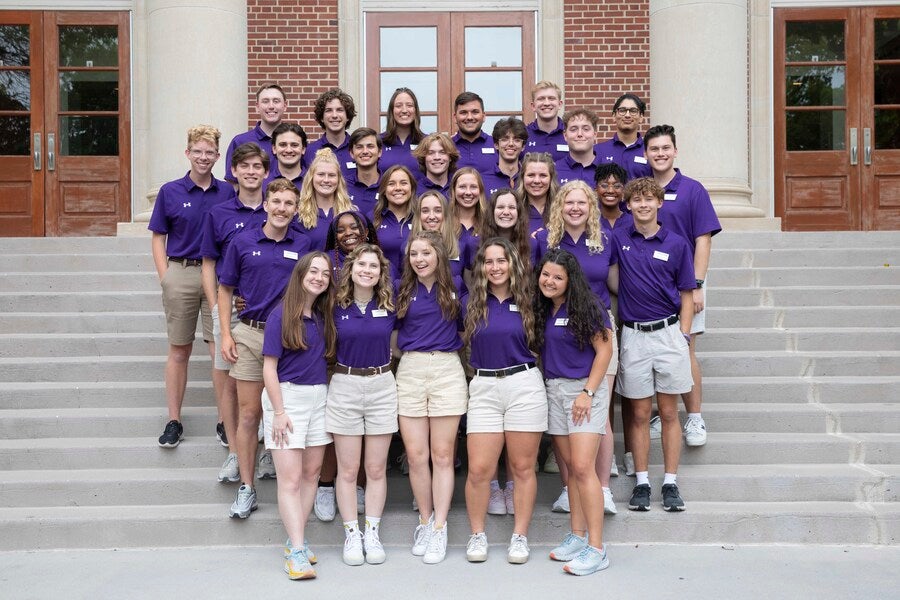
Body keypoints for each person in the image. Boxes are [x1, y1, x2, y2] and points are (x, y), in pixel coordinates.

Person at [216, 178, 312, 519]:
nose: (282, 209)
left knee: (287, 410)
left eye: (289, 203)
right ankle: (247, 486)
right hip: (252, 334)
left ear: (296, 207)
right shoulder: (242, 242)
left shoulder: (303, 243)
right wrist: (227, 333)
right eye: (277, 202)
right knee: (248, 414)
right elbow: (225, 289)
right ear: (266, 204)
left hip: (291, 338)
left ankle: (290, 481)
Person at [607, 176, 696, 512]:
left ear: (659, 202)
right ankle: (642, 482)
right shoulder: (619, 238)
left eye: (649, 199)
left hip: (668, 333)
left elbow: (687, 293)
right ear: (628, 206)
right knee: (640, 413)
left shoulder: (676, 243)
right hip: (634, 335)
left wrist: (684, 335)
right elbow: (613, 278)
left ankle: (670, 482)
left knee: (670, 411)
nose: (643, 205)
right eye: (636, 200)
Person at [534, 180, 619, 516]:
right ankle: (570, 491)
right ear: (559, 206)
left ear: (591, 206)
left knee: (600, 413)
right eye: (569, 202)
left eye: (582, 203)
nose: (575, 208)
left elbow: (616, 284)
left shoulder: (604, 239)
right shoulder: (544, 239)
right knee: (561, 418)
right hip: (557, 328)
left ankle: (603, 489)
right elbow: (539, 283)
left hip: (597, 328)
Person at [149, 124, 233, 448]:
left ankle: (225, 420)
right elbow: (158, 237)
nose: (203, 157)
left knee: (219, 352)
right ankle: (174, 420)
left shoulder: (227, 192)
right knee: (179, 349)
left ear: (216, 155)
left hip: (216, 276)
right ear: (187, 153)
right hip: (181, 272)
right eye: (197, 151)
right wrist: (165, 276)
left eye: (209, 152)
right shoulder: (170, 191)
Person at [462, 238, 545, 565]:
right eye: (488, 261)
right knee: (480, 469)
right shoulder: (470, 302)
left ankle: (520, 537)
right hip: (483, 387)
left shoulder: (531, 300)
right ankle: (477, 534)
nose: (495, 267)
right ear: (481, 266)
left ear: (513, 263)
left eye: (502, 260)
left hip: (523, 384)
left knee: (523, 467)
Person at [535, 248, 613, 575]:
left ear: (570, 280)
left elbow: (605, 349)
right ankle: (577, 537)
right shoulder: (543, 309)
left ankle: (597, 548)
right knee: (570, 468)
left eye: (558, 277)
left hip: (583, 390)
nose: (550, 281)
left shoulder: (586, 305)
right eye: (546, 275)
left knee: (583, 467)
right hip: (554, 389)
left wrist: (588, 392)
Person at [645, 124, 722, 447]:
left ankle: (694, 418)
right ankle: (658, 414)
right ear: (646, 154)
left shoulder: (692, 190)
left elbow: (702, 239)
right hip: (651, 286)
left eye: (665, 148)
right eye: (654, 149)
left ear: (675, 151)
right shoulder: (643, 191)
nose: (660, 154)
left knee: (685, 349)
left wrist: (697, 283)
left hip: (685, 285)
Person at [394, 231, 468, 564]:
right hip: (410, 369)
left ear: (438, 254)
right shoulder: (401, 289)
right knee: (415, 454)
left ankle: (440, 526)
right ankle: (424, 519)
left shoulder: (455, 288)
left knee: (442, 454)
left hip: (447, 368)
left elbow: (467, 328)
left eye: (426, 253)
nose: (420, 259)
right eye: (414, 254)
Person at [261, 251, 335, 580]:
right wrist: (278, 412)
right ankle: (296, 550)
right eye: (313, 271)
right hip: (288, 399)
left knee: (311, 475)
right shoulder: (281, 314)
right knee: (290, 481)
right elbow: (269, 368)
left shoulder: (321, 316)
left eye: (325, 273)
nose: (319, 277)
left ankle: (298, 543)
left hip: (320, 397)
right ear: (301, 274)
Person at [201, 142, 270, 482]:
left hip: (266, 310)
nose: (251, 172)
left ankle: (269, 449)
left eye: (257, 166)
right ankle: (233, 451)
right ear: (234, 173)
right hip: (230, 308)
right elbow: (208, 263)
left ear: (266, 172)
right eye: (245, 167)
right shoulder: (220, 213)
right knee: (229, 382)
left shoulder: (277, 209)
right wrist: (216, 307)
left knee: (271, 383)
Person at [328, 243, 398, 566]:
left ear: (381, 272)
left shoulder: (390, 305)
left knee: (375, 468)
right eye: (361, 265)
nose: (367, 271)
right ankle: (352, 535)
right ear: (351, 269)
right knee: (348, 469)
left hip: (382, 384)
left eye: (374, 266)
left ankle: (372, 532)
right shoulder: (335, 305)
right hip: (345, 384)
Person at [224, 83, 286, 184]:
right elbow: (233, 185)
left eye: (276, 101)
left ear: (285, 106)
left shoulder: (293, 143)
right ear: (257, 107)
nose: (271, 106)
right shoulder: (240, 141)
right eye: (265, 101)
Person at [296, 148, 355, 251]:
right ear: (311, 178)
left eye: (332, 175)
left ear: (338, 179)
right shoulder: (298, 215)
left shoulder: (352, 213)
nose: (326, 180)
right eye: (321, 174)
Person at [409, 190, 468, 293]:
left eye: (437, 210)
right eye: (425, 211)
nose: (431, 216)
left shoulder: (461, 248)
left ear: (445, 214)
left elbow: (467, 287)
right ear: (419, 215)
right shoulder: (407, 247)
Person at [594, 93, 652, 181]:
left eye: (633, 111)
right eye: (622, 110)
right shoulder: (598, 151)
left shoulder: (650, 151)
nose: (627, 115)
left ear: (641, 117)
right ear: (614, 116)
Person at [372, 165, 416, 278]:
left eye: (403, 183)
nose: (398, 188)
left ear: (412, 188)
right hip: (382, 286)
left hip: (415, 286)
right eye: (391, 184)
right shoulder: (372, 219)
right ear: (384, 190)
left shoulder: (421, 217)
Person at [304, 88, 357, 178]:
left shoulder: (358, 149)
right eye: (329, 110)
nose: (334, 115)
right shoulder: (309, 151)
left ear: (347, 116)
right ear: (321, 117)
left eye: (340, 110)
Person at [483, 188, 534, 272]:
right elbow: (470, 281)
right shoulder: (474, 244)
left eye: (512, 207)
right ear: (492, 212)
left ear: (519, 213)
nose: (506, 212)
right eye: (500, 207)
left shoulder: (532, 244)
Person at [379, 87, 427, 173]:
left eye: (409, 105)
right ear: (392, 111)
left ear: (415, 110)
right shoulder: (378, 142)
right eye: (398, 106)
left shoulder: (426, 142)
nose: (404, 110)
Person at [481, 117, 528, 197]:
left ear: (523, 146)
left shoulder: (529, 178)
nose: (511, 144)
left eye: (517, 140)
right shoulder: (483, 180)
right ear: (496, 145)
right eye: (505, 139)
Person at [555, 109, 602, 187]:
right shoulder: (554, 170)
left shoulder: (609, 170)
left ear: (595, 134)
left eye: (586, 129)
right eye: (574, 129)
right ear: (565, 136)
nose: (580, 134)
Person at [515, 152, 560, 234]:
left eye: (543, 175)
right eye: (531, 175)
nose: (537, 181)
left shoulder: (562, 208)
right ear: (522, 177)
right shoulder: (513, 208)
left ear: (551, 178)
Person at [452, 91, 495, 175]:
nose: (469, 117)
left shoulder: (497, 146)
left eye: (475, 112)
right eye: (463, 113)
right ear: (455, 117)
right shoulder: (446, 147)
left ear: (483, 116)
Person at [346, 127, 383, 219]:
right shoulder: (342, 186)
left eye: (370, 146)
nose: (365, 151)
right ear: (351, 153)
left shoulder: (389, 185)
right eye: (359, 147)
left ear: (379, 152)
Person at [526, 81, 568, 161]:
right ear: (533, 106)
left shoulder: (571, 134)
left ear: (560, 104)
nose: (546, 103)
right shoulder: (523, 136)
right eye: (541, 99)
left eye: (551, 98)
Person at [412, 132, 458, 198]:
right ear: (423, 158)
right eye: (431, 153)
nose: (437, 157)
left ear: (450, 157)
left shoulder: (458, 187)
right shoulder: (414, 191)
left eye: (442, 152)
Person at [262, 122, 307, 190]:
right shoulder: (263, 183)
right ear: (274, 149)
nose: (288, 150)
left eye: (294, 145)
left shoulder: (313, 181)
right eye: (283, 145)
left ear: (303, 149)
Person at [596, 163, 632, 232]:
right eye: (604, 185)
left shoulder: (633, 222)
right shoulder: (588, 221)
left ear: (624, 191)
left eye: (617, 186)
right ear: (596, 190)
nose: (610, 191)